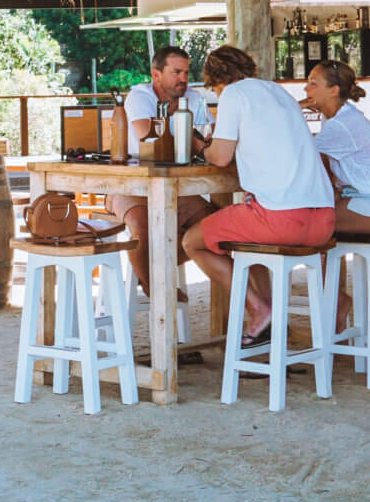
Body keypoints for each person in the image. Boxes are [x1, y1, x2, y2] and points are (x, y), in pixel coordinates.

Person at [180, 44, 334, 344]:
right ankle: (268, 321)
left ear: (215, 80)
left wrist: (199, 145)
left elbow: (221, 158)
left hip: (283, 221)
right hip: (323, 221)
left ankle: (259, 309)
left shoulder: (233, 95)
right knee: (251, 240)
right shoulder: (278, 92)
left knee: (192, 242)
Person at [108, 44, 211, 297]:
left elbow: (212, 137)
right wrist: (194, 139)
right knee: (144, 227)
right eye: (176, 72)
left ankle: (152, 268)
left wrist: (198, 141)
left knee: (214, 224)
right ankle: (157, 289)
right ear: (156, 75)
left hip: (176, 186)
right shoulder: (141, 96)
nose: (183, 79)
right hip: (130, 184)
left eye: (186, 73)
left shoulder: (195, 98)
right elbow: (148, 136)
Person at [304, 59, 370, 236]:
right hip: (360, 199)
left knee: (297, 224)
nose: (306, 89)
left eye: (313, 83)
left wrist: (293, 110)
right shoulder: (337, 117)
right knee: (295, 220)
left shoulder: (342, 124)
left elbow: (299, 152)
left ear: (333, 91)